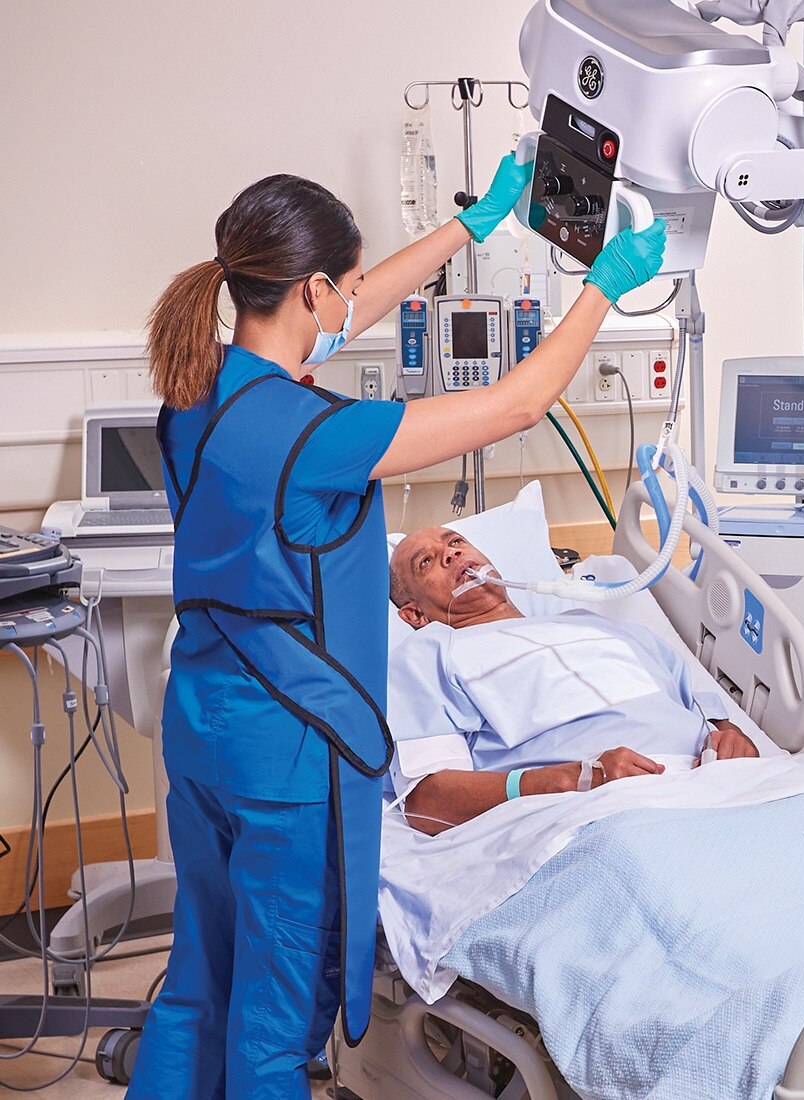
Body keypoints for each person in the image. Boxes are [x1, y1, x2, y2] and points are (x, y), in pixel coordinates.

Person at [128, 153, 666, 1100]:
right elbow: (518, 404)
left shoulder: (192, 393)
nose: (355, 301)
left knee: (198, 982)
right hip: (286, 751)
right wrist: (602, 289)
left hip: (203, 726)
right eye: (345, 285)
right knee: (275, 1019)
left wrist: (472, 226)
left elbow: (346, 306)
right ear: (311, 289)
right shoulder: (315, 432)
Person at [386, 526, 759, 835]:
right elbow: (427, 801)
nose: (450, 553)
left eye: (455, 541)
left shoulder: (601, 625)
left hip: (727, 787)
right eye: (426, 561)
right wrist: (571, 780)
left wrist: (732, 738)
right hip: (605, 809)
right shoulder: (427, 657)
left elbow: (705, 712)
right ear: (415, 615)